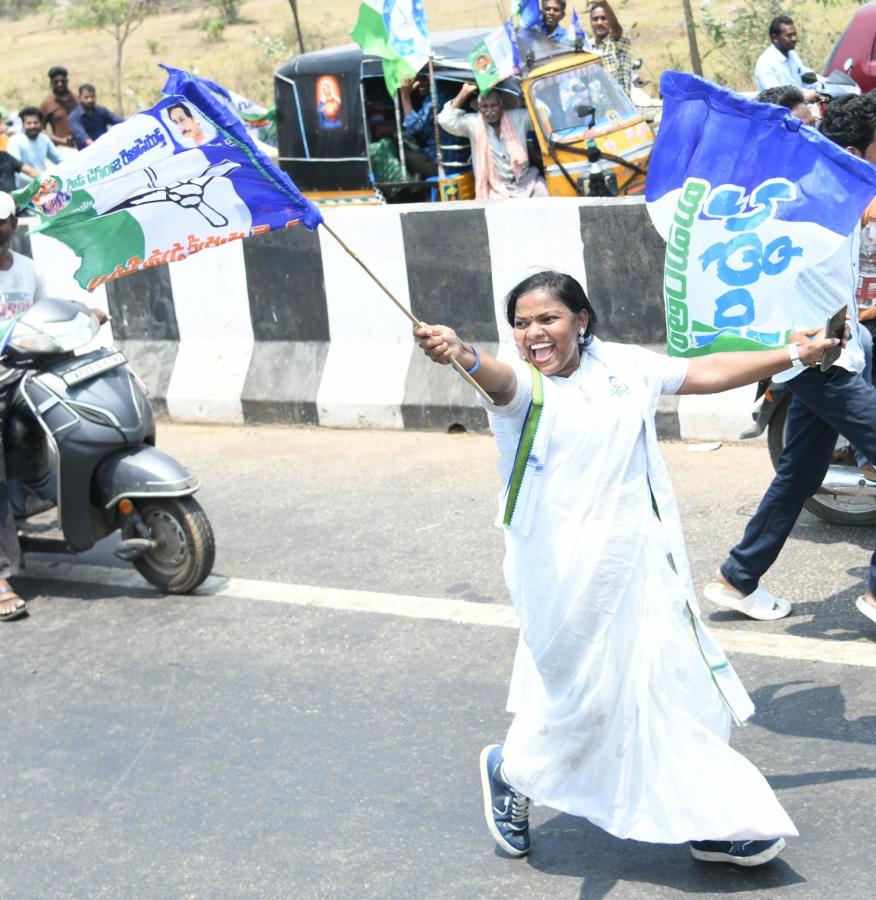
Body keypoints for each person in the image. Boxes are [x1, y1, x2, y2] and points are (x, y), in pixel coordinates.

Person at [414, 270, 839, 864]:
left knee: (670, 687)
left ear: (581, 320)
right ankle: (511, 771)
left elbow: (706, 372)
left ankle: (710, 816)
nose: (534, 333)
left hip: (642, 568)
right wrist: (460, 353)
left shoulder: (624, 367)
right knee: (583, 702)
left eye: (548, 319)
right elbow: (494, 377)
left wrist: (796, 352)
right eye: (521, 323)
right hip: (564, 580)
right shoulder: (525, 391)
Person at [704, 93, 876, 629]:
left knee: (798, 473)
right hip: (814, 359)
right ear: (853, 154)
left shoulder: (834, 196)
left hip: (830, 351)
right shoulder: (818, 201)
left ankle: (736, 578)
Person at [0, 192, 46, 620]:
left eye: (3, 221)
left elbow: (42, 316)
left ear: (15, 223)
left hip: (23, 372)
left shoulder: (29, 270)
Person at [437, 83, 546, 200]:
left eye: (493, 106)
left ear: (501, 106)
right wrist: (464, 93)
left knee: (543, 193)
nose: (489, 110)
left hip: (525, 181)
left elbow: (544, 114)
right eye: (484, 106)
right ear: (479, 108)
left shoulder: (518, 117)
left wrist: (526, 96)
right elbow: (444, 120)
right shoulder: (473, 122)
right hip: (494, 187)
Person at [754, 16, 818, 101]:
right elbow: (776, 96)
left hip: (798, 105)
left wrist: (827, 84)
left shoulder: (792, 54)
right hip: (779, 111)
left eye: (795, 34)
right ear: (775, 38)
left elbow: (804, 77)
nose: (794, 39)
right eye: (789, 35)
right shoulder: (765, 63)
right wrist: (803, 97)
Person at [6, 108, 61, 189]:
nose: (32, 126)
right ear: (23, 124)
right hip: (24, 191)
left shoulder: (44, 139)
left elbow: (59, 159)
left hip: (43, 187)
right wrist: (40, 180)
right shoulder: (15, 140)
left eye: (36, 123)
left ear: (41, 124)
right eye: (29, 123)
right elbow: (15, 169)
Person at [589, 2, 632, 96]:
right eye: (595, 19)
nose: (599, 23)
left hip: (621, 105)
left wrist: (604, 3)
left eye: (604, 18)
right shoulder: (588, 47)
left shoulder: (617, 41)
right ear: (591, 23)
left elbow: (616, 28)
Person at [399, 78, 438, 178]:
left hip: (440, 163)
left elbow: (414, 127)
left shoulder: (435, 97)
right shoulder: (433, 95)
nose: (419, 83)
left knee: (399, 151)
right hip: (445, 158)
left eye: (424, 78)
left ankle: (412, 189)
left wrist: (405, 96)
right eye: (416, 79)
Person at [68, 84, 123, 150]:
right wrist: (96, 147)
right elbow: (83, 136)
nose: (90, 100)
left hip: (106, 150)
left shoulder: (101, 111)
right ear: (80, 98)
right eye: (86, 97)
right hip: (88, 153)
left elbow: (118, 120)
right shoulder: (74, 117)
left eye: (92, 97)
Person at [39, 66, 77, 148]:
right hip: (62, 148)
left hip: (84, 145)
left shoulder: (78, 99)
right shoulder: (47, 104)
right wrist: (61, 141)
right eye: (56, 82)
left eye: (62, 81)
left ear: (67, 81)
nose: (60, 84)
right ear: (51, 83)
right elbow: (41, 130)